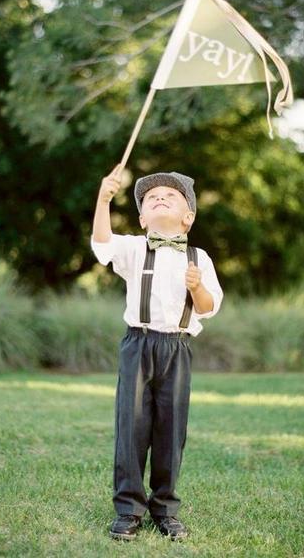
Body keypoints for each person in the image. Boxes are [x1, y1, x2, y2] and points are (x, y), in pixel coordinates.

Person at [91, 164, 223, 541]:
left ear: (188, 217)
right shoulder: (134, 248)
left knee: (171, 429)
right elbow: (102, 243)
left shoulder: (199, 259)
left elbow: (209, 306)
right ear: (142, 217)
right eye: (151, 198)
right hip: (139, 343)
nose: (159, 198)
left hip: (176, 349)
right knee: (131, 426)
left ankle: (165, 508)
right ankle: (129, 509)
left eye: (170, 196)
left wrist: (196, 288)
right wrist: (103, 200)